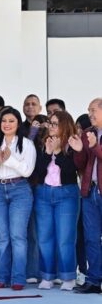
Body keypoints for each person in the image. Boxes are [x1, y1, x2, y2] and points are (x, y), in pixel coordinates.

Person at [0, 107, 36, 290]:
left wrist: (9, 160)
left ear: (18, 123)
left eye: (11, 121)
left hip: (19, 189)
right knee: (2, 237)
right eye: (4, 121)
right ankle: (2, 276)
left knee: (17, 236)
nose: (7, 124)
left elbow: (27, 171)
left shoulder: (26, 144)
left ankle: (18, 278)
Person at [33, 110, 78, 291]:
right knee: (44, 237)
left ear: (64, 125)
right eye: (50, 123)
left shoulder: (73, 144)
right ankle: (47, 276)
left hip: (66, 194)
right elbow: (37, 171)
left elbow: (71, 171)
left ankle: (68, 277)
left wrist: (58, 152)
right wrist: (47, 152)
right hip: (43, 193)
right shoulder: (44, 143)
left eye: (55, 124)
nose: (51, 127)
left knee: (65, 238)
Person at [72, 98, 102, 294]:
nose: (90, 114)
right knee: (91, 238)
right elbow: (80, 164)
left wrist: (94, 146)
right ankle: (94, 280)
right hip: (90, 192)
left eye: (93, 110)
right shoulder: (88, 133)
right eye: (88, 110)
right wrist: (79, 150)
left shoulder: (92, 138)